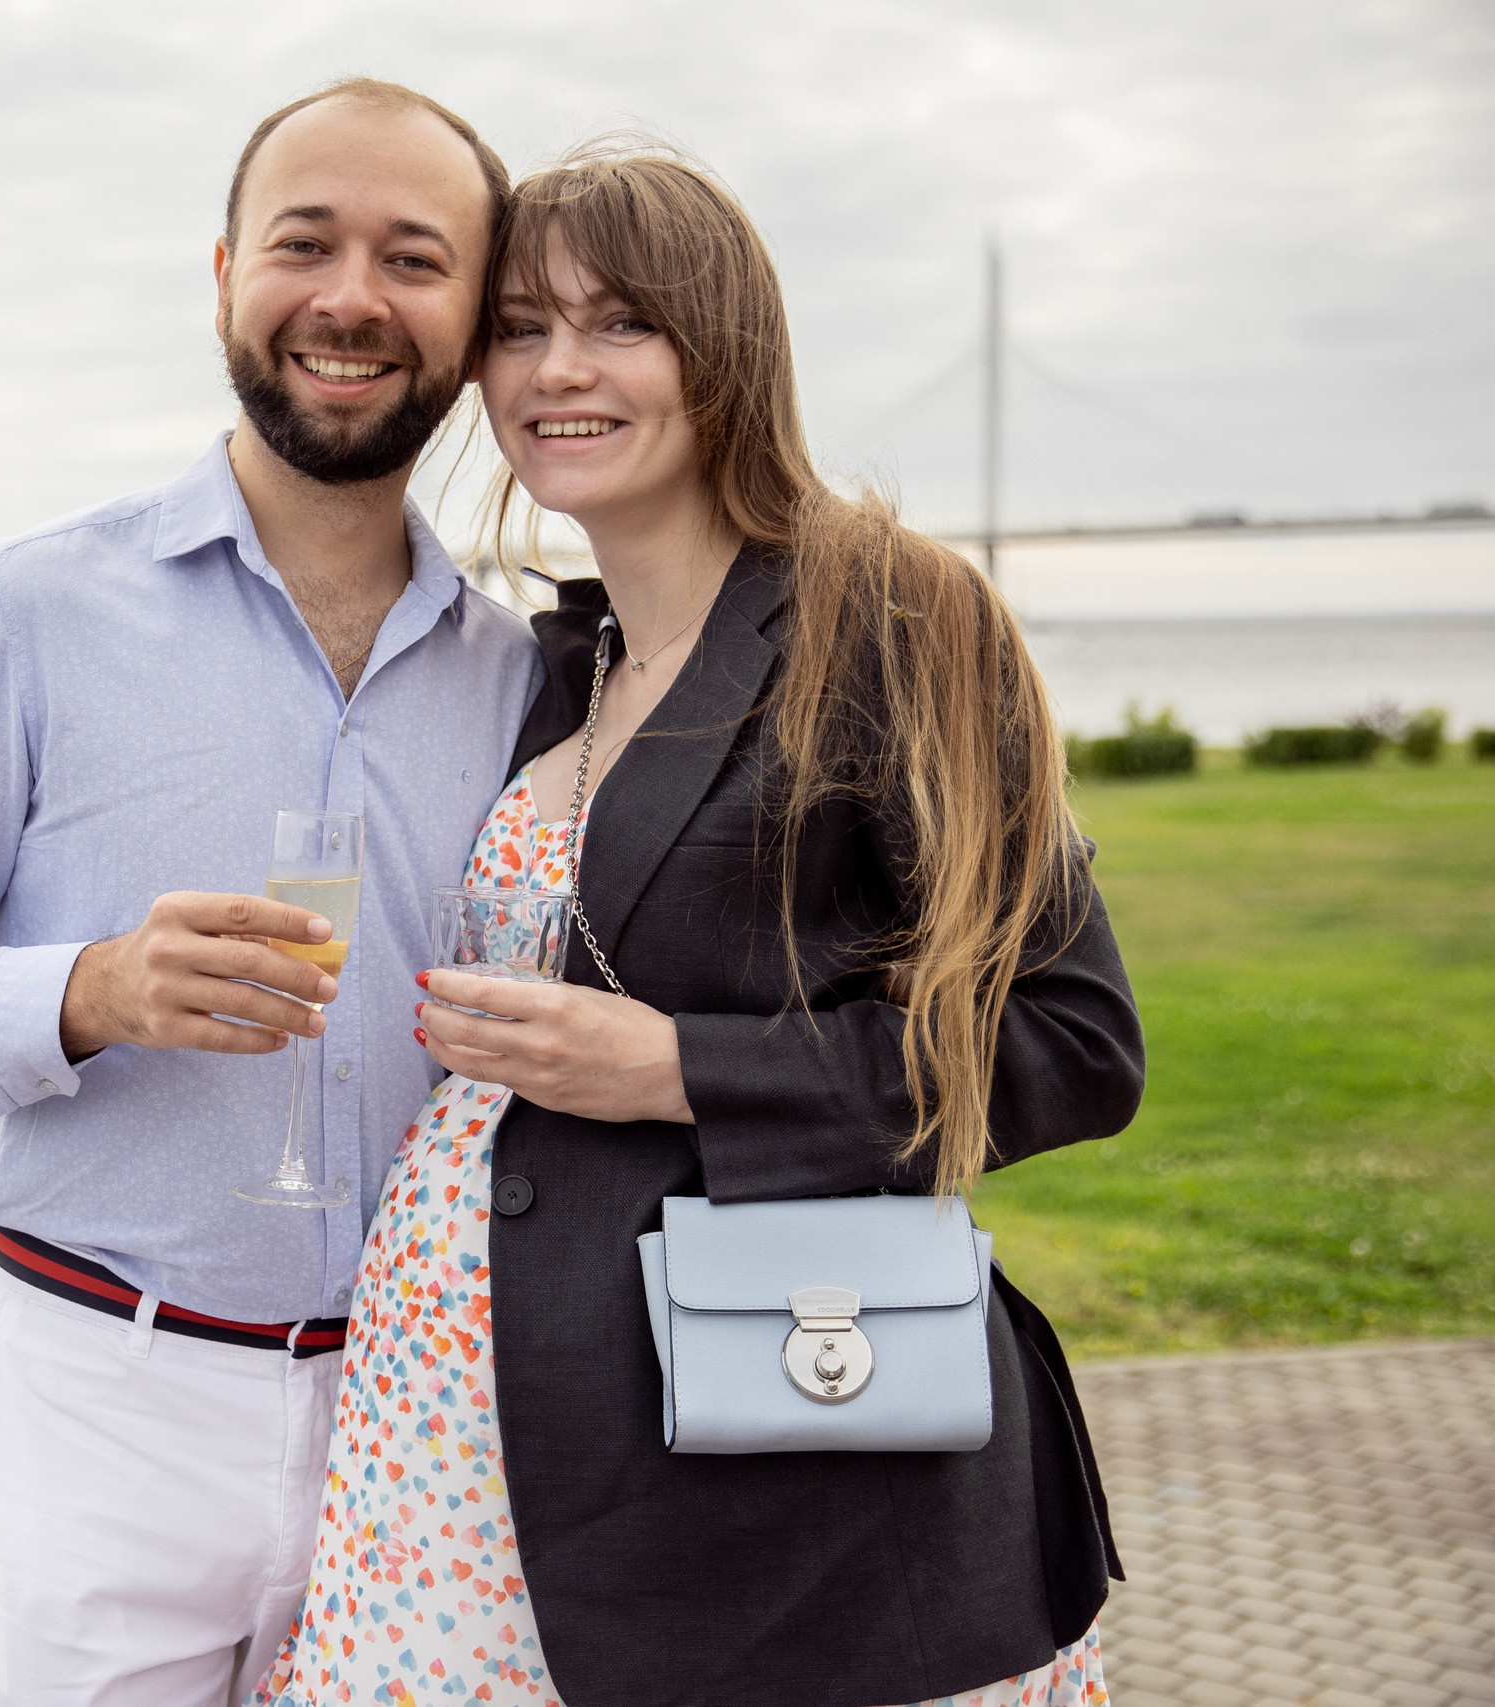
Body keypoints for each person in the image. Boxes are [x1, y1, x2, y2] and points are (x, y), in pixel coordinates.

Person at [255, 142, 1144, 1707]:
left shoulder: (888, 616)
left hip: (770, 1466)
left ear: (726, 346)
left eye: (620, 324)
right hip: (467, 1452)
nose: (558, 370)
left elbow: (1072, 1046)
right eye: (521, 328)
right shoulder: (560, 666)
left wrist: (681, 1069)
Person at [0, 80, 542, 1704]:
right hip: (93, 1409)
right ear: (222, 278)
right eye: (303, 243)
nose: (350, 297)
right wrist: (89, 992)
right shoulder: (32, 607)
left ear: (479, 324)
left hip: (421, 1424)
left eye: (415, 258)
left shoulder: (524, 676)